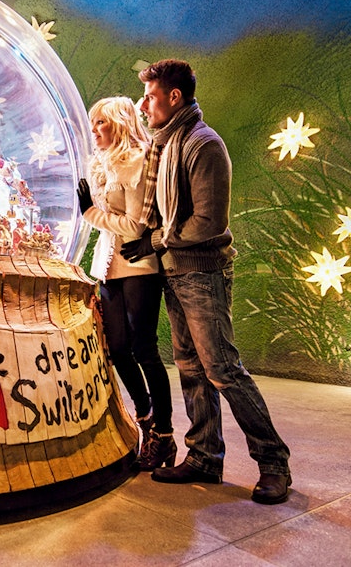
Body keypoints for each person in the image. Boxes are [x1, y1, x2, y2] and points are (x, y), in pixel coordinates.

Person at [119, 59, 292, 505]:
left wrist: (156, 239)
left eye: (151, 96)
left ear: (174, 97)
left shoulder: (202, 144)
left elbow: (209, 222)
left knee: (222, 369)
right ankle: (204, 457)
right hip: (176, 270)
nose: (143, 105)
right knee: (192, 370)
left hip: (202, 271)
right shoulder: (165, 144)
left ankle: (274, 463)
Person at [77, 96, 175, 470]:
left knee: (144, 349)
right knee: (116, 348)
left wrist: (91, 214)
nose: (94, 131)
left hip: (139, 267)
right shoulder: (101, 163)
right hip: (108, 266)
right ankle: (146, 416)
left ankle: (163, 436)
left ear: (118, 123)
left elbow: (136, 227)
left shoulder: (137, 162)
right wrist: (97, 215)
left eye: (100, 123)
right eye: (92, 124)